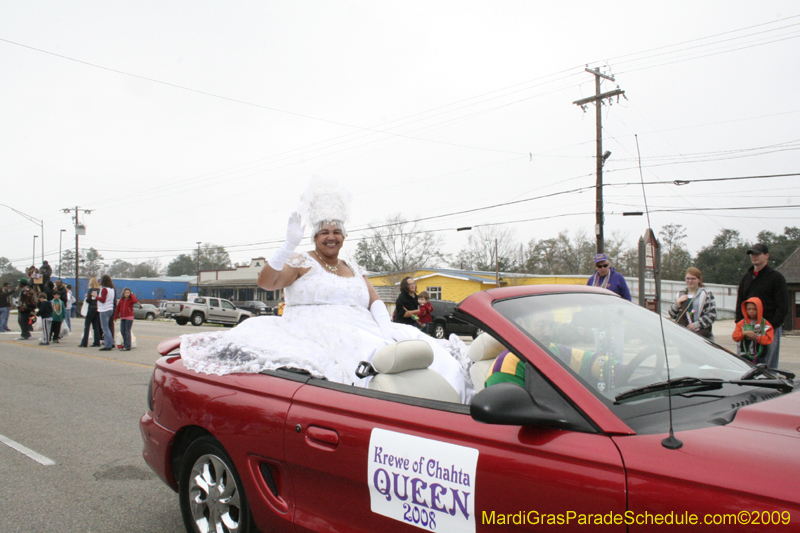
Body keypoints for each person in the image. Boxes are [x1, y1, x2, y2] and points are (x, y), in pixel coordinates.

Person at [180, 178, 474, 403]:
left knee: (421, 346)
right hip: (321, 329)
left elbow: (373, 301)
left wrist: (387, 328)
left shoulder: (354, 267)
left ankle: (449, 402)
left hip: (366, 325)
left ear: (344, 236)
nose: (331, 237)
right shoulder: (302, 261)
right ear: (315, 236)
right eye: (324, 232)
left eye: (336, 232)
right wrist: (287, 246)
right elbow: (266, 283)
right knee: (367, 356)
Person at [735, 243, 789, 369]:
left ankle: (769, 384)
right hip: (748, 326)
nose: (754, 257)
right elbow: (740, 302)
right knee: (745, 363)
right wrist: (740, 324)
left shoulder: (776, 278)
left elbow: (783, 305)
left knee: (767, 364)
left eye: (757, 254)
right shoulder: (746, 278)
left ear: (766, 256)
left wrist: (772, 325)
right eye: (752, 254)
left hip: (768, 326)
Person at [668, 267, 717, 340]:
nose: (690, 281)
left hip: (701, 336)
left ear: (699, 280)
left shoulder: (706, 295)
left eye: (693, 279)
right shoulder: (680, 294)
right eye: (688, 278)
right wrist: (677, 303)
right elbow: (672, 315)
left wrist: (696, 325)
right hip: (683, 336)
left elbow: (712, 315)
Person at [732, 297, 774, 365]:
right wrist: (744, 333)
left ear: (759, 309)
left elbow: (769, 339)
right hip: (745, 354)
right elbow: (735, 337)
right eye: (749, 309)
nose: (751, 311)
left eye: (754, 309)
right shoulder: (742, 323)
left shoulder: (765, 324)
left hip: (760, 356)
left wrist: (756, 338)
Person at [79, 277, 102, 347]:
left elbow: (89, 299)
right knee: (96, 326)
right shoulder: (99, 290)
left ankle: (84, 342)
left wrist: (86, 298)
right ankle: (97, 342)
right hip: (97, 308)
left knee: (87, 325)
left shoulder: (91, 290)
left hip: (91, 308)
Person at [97, 275, 116, 351]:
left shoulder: (104, 289)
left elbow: (102, 300)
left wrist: (96, 296)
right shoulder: (112, 289)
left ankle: (108, 345)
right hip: (110, 309)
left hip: (104, 309)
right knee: (108, 327)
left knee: (105, 328)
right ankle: (111, 342)